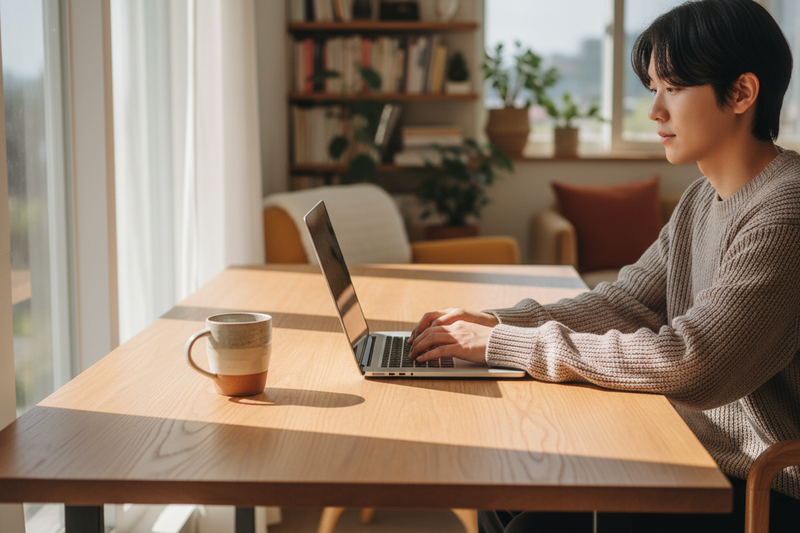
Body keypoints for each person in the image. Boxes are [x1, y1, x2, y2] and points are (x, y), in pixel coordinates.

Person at [407, 0, 800, 531]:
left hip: (764, 486)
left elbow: (694, 362)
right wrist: (496, 324)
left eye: (674, 88)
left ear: (742, 93)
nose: (655, 111)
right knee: (500, 486)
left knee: (532, 526)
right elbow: (626, 302)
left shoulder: (785, 211)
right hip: (688, 450)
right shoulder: (700, 200)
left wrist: (504, 346)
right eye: (653, 88)